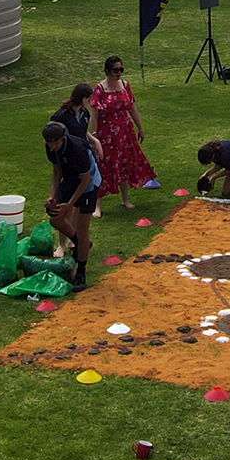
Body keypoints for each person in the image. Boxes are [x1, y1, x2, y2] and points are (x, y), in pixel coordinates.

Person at [88, 56, 156, 218]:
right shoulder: (100, 89)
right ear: (107, 71)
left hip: (125, 132)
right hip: (107, 134)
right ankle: (97, 205)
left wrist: (140, 128)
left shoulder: (125, 85)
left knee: (125, 162)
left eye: (121, 70)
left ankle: (125, 199)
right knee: (103, 165)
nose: (118, 73)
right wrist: (95, 137)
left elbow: (132, 108)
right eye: (115, 70)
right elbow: (94, 116)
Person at [42, 121, 98, 292]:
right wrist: (53, 196)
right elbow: (57, 171)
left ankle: (81, 272)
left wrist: (69, 205)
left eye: (57, 143)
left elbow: (86, 179)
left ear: (63, 137)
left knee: (82, 228)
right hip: (70, 179)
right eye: (50, 144)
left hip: (87, 183)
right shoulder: (51, 147)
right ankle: (80, 243)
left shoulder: (77, 149)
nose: (54, 147)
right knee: (55, 217)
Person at [51, 84, 104, 257]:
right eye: (89, 99)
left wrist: (94, 140)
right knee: (66, 206)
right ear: (83, 99)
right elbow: (53, 137)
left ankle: (74, 239)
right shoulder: (62, 116)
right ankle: (61, 244)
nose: (91, 102)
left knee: (77, 205)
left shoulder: (85, 114)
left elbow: (82, 133)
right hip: (68, 162)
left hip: (82, 159)